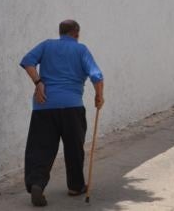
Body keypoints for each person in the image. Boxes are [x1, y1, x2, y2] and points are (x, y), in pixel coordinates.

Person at [19, 20, 104, 207]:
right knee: (74, 147)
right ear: (77, 33)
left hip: (44, 105)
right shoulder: (81, 50)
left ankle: (37, 184)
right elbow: (97, 76)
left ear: (60, 33)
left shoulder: (47, 45)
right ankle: (75, 186)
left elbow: (27, 61)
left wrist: (38, 82)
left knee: (40, 148)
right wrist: (99, 97)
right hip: (72, 106)